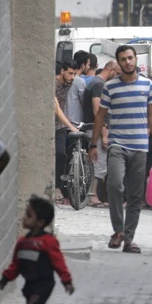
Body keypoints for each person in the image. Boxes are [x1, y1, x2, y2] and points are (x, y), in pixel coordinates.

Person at [88, 45, 152, 254]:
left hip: (140, 146)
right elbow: (100, 116)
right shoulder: (110, 87)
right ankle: (118, 230)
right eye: (123, 59)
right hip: (117, 144)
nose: (128, 62)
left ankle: (129, 239)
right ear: (118, 63)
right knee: (114, 185)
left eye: (130, 58)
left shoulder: (147, 85)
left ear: (135, 59)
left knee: (135, 194)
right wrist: (93, 143)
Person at [0, 196, 74, 304]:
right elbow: (16, 264)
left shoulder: (48, 242)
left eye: (29, 215)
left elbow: (58, 262)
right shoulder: (22, 242)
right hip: (29, 285)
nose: (24, 217)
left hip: (43, 284)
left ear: (40, 222)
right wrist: (6, 278)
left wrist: (66, 281)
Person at [87, 61, 119, 208]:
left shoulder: (94, 82)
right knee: (98, 164)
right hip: (96, 130)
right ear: (111, 71)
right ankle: (92, 195)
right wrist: (104, 135)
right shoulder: (99, 85)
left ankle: (93, 194)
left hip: (93, 128)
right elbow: (97, 112)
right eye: (117, 74)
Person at [54, 61, 82, 203]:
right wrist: (70, 126)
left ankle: (59, 186)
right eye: (70, 73)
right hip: (50, 125)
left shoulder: (68, 84)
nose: (72, 77)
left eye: (75, 74)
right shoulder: (53, 84)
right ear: (62, 71)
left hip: (59, 126)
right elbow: (56, 108)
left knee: (62, 154)